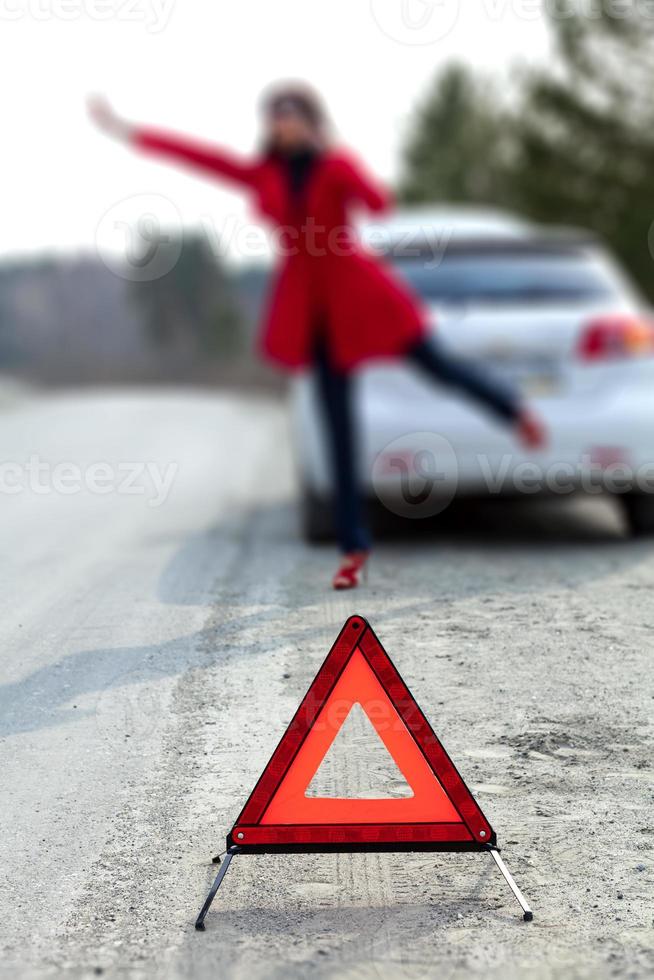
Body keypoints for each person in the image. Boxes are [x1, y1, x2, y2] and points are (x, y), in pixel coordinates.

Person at [89, 84, 545, 590]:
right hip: (314, 312)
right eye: (275, 116)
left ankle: (514, 411)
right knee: (339, 431)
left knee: (439, 367)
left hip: (362, 294)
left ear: (310, 122)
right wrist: (128, 131)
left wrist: (343, 161)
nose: (281, 123)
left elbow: (378, 203)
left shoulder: (334, 165)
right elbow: (199, 157)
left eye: (292, 115)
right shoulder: (262, 173)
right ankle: (353, 549)